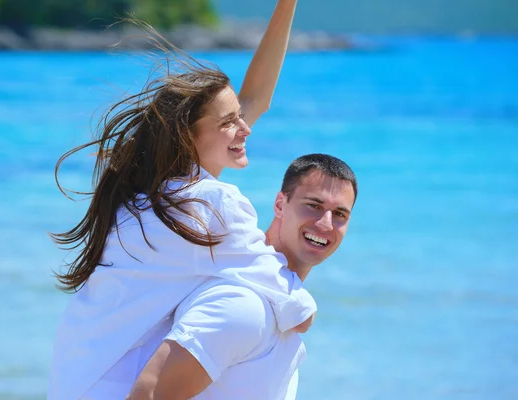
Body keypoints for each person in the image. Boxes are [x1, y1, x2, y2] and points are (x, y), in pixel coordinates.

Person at [47, 2, 316, 400]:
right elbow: (297, 313)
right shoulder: (209, 205)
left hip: (75, 383)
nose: (245, 127)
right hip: (117, 392)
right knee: (256, 315)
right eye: (229, 122)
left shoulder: (147, 193)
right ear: (188, 137)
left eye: (239, 117)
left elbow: (256, 98)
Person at [125, 154, 358, 399]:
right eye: (314, 206)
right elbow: (147, 394)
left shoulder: (282, 306)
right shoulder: (245, 306)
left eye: (340, 214)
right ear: (280, 204)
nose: (326, 224)